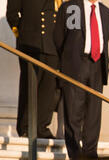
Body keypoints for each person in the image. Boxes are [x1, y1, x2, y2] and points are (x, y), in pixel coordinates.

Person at [54, 0, 109, 160]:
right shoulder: (71, 7)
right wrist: (67, 61)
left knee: (94, 113)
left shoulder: (107, 12)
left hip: (97, 66)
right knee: (73, 111)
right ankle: (75, 155)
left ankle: (90, 153)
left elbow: (104, 39)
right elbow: (58, 38)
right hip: (75, 65)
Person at [6, 0, 64, 138]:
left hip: (52, 44)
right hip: (30, 42)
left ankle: (41, 127)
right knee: (30, 85)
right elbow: (12, 14)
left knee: (48, 88)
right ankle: (25, 127)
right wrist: (23, 32)